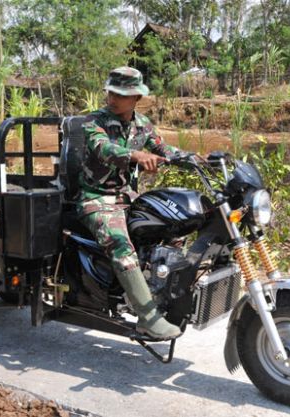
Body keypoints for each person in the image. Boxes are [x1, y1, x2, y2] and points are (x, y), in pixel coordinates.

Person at [76, 67, 185, 340]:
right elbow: (103, 149)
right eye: (111, 92)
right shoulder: (94, 121)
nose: (113, 98)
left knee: (173, 230)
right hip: (96, 198)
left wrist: (198, 159)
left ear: (137, 97)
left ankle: (166, 297)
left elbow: (165, 149)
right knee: (121, 246)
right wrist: (136, 155)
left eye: (121, 94)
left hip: (127, 197)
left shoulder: (143, 124)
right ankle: (147, 317)